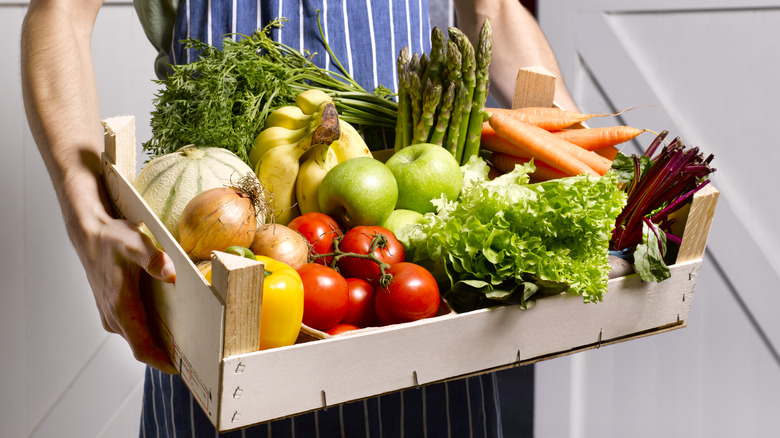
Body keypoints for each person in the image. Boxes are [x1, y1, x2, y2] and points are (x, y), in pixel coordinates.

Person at [20, 0, 577, 436]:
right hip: (218, 290)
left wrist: (572, 147)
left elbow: (495, 9)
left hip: (405, 300)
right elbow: (61, 13)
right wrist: (85, 216)